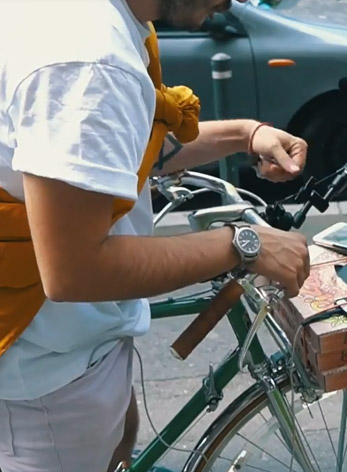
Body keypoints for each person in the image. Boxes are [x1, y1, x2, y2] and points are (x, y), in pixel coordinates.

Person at [0, 0, 311, 471]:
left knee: (122, 440)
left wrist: (244, 134)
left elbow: (114, 146)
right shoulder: (87, 59)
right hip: (46, 376)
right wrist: (246, 244)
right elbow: (75, 271)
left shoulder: (94, 20)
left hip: (69, 352)